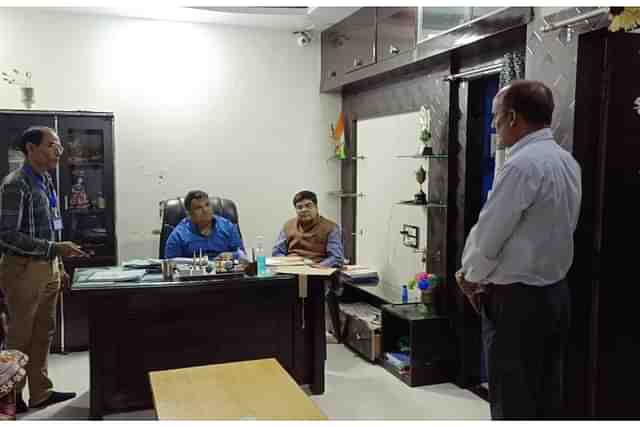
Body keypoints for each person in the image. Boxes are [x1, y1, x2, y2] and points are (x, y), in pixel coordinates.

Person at [456, 80, 582, 419]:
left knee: (512, 400)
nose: (494, 126)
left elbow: (489, 236)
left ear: (512, 117)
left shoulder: (520, 165)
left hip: (516, 303)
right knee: (546, 395)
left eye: (496, 118)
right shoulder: (567, 162)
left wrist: (469, 276)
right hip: (555, 296)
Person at [0, 126, 89, 413]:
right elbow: (6, 235)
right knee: (20, 335)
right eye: (52, 145)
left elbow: (52, 226)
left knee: (43, 332)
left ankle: (40, 393)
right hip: (23, 269)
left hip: (48, 266)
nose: (59, 151)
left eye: (59, 145)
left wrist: (58, 263)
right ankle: (10, 399)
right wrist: (54, 250)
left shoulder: (46, 180)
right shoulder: (16, 184)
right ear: (31, 148)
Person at [164, 190, 247, 260]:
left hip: (224, 275)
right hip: (194, 277)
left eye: (207, 205)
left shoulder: (227, 227)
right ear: (189, 213)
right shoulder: (178, 235)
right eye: (198, 208)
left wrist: (231, 255)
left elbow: (242, 255)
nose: (205, 210)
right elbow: (171, 264)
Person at [272, 190, 343, 267]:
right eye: (299, 207)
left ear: (316, 207)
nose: (304, 210)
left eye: (308, 206)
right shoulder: (288, 225)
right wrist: (287, 262)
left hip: (318, 271)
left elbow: (336, 258)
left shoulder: (331, 228)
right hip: (291, 270)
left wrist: (317, 267)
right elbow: (277, 252)